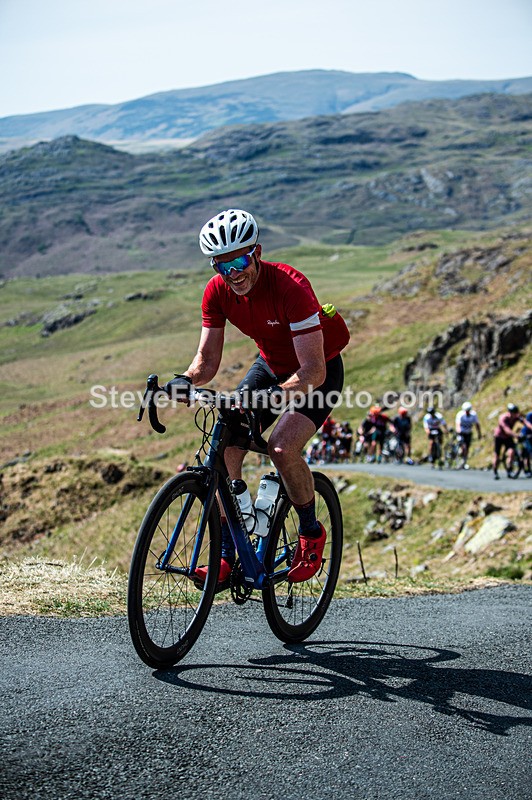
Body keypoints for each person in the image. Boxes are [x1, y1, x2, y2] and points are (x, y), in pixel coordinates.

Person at [165, 209, 350, 583]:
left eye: (240, 260)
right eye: (223, 265)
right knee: (226, 444)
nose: (233, 273)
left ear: (257, 253)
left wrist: (269, 397)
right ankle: (228, 555)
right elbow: (206, 361)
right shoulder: (217, 291)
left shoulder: (291, 288)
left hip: (317, 372)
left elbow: (313, 371)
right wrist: (184, 380)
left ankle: (311, 532)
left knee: (282, 448)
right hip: (268, 366)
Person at [493, 403, 532, 479]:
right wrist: (516, 436)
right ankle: (495, 471)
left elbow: (526, 422)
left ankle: (509, 469)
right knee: (497, 456)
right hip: (499, 437)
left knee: (511, 452)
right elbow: (506, 430)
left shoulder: (516, 417)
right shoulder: (503, 418)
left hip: (508, 438)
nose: (515, 415)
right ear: (510, 412)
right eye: (514, 413)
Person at [454, 401, 481, 469]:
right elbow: (458, 424)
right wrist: (459, 431)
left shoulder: (473, 415)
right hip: (461, 432)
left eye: (468, 411)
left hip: (468, 433)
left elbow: (477, 424)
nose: (467, 412)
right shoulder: (460, 414)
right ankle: (460, 452)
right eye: (466, 411)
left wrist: (479, 433)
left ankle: (464, 461)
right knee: (464, 447)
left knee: (467, 447)